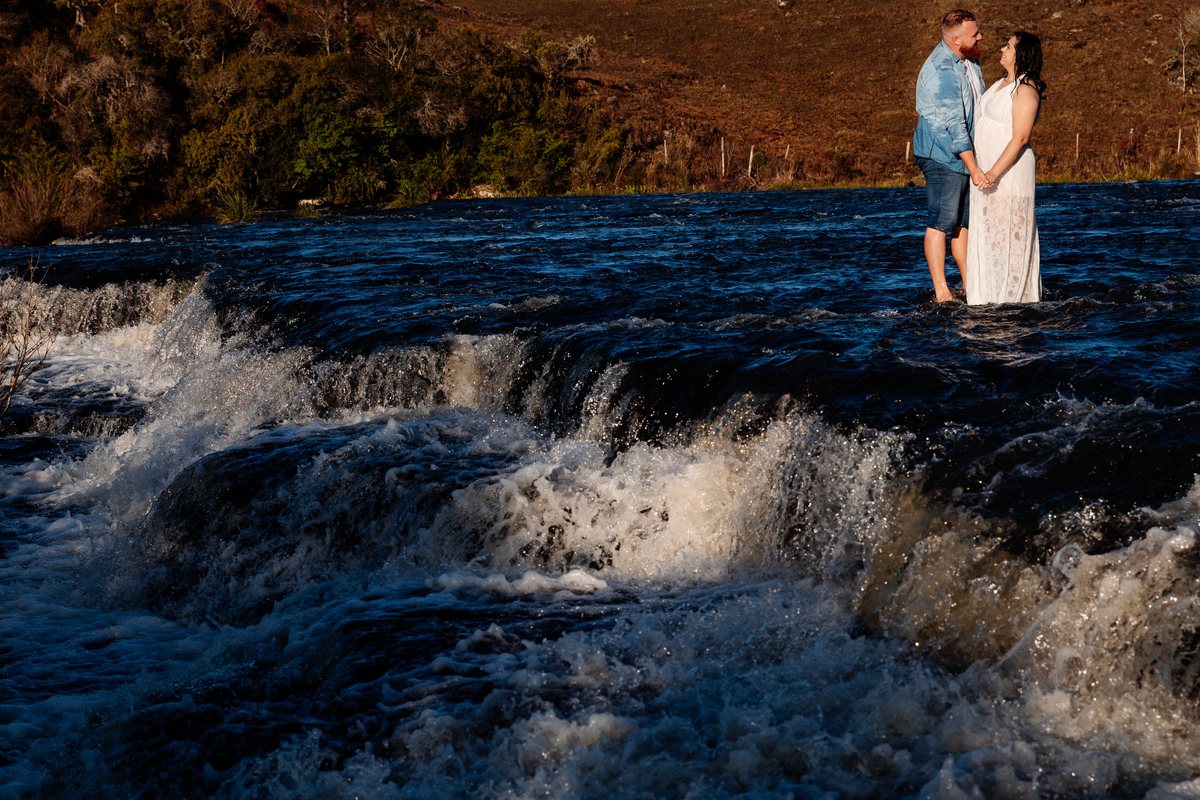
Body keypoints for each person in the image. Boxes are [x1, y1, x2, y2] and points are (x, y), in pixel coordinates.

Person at [914, 9, 990, 303]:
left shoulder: (969, 60)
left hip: (964, 155)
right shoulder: (942, 71)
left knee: (963, 224)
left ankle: (970, 286)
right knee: (941, 221)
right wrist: (974, 167)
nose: (980, 37)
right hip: (942, 155)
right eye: (975, 34)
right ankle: (942, 291)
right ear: (956, 40)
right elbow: (955, 125)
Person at [964, 32, 1044, 305]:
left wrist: (993, 173)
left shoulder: (1026, 89)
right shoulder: (1001, 83)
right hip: (987, 169)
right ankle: (988, 294)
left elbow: (1020, 137)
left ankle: (1013, 298)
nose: (1002, 49)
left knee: (1008, 231)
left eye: (1008, 46)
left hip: (1008, 172)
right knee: (990, 232)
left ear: (1021, 54)